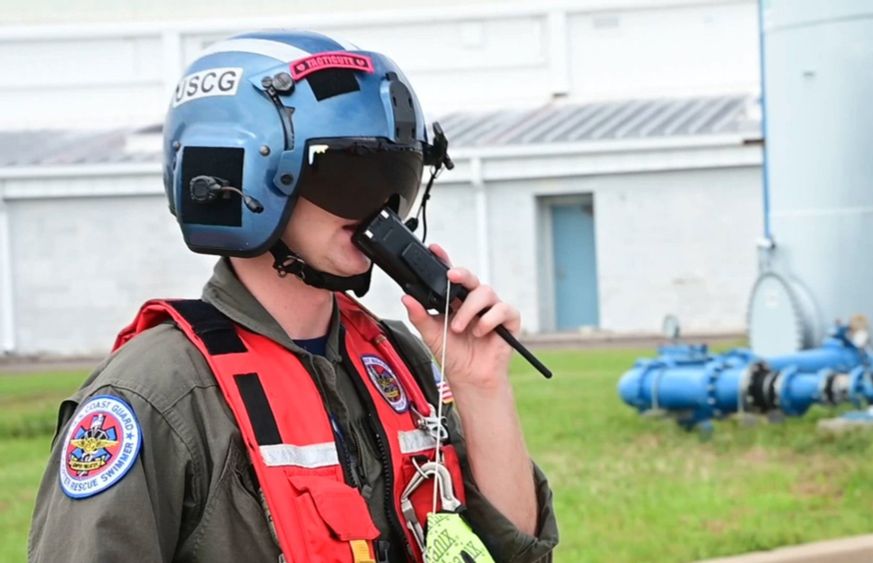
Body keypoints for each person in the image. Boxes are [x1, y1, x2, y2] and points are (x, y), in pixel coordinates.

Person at [28, 30, 558, 563]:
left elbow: (512, 554)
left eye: (398, 178)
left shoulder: (400, 359)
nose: (382, 207)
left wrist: (481, 386)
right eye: (351, 176)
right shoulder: (157, 395)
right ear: (244, 176)